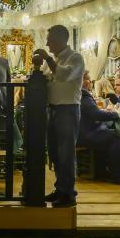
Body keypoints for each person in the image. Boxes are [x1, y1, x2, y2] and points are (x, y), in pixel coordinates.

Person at [34, 24, 85, 208]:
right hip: (52, 109)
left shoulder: (76, 58)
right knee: (54, 153)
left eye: (50, 40)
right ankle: (60, 188)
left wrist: (47, 59)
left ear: (62, 40)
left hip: (68, 110)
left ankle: (68, 194)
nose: (47, 44)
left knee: (66, 153)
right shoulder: (52, 61)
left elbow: (63, 75)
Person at [79, 71, 120, 185]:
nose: (90, 82)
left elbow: (94, 113)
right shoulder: (83, 95)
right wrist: (118, 114)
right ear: (82, 81)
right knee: (116, 138)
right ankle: (119, 176)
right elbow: (96, 115)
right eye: (88, 79)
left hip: (82, 132)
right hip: (85, 134)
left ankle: (101, 172)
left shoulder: (78, 93)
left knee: (108, 134)